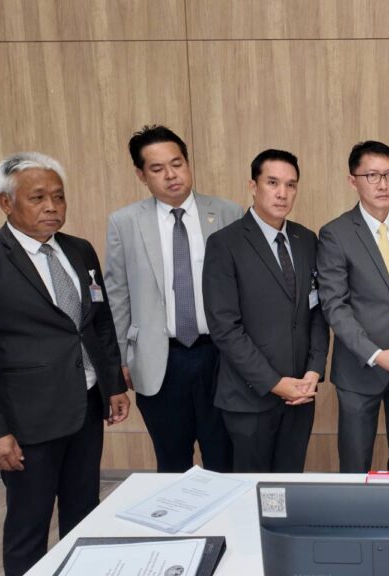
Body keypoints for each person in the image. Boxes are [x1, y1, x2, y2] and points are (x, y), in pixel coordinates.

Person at [0, 152, 130, 575]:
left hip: (85, 407)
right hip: (26, 420)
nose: (52, 207)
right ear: (6, 203)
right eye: (38, 197)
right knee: (30, 523)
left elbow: (99, 322)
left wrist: (113, 383)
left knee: (85, 512)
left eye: (59, 197)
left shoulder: (79, 250)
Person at [105, 125, 240, 473]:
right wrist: (120, 359)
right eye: (157, 168)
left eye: (177, 164)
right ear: (141, 175)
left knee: (224, 459)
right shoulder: (125, 222)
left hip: (220, 356)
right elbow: (117, 294)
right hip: (159, 358)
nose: (171, 175)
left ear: (188, 163)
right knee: (172, 463)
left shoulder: (228, 213)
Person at [203, 149, 329, 472]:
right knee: (251, 490)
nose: (282, 193)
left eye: (291, 185)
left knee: (289, 485)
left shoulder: (306, 239)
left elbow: (316, 311)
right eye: (272, 183)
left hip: (300, 395)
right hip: (249, 398)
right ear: (253, 186)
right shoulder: (224, 243)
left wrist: (313, 371)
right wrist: (273, 382)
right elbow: (225, 328)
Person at [317, 140, 389, 472]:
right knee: (355, 464)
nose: (383, 184)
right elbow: (334, 306)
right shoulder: (335, 233)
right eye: (372, 175)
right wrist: (376, 355)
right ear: (353, 181)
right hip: (360, 368)